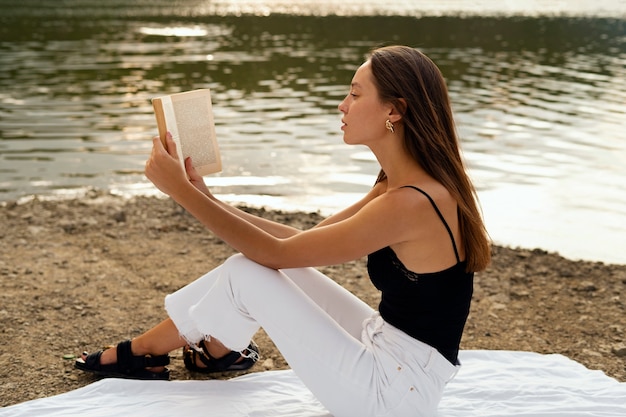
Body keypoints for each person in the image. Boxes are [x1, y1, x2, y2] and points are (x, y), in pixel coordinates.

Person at [75, 45, 491, 417]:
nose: (342, 105)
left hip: (394, 394)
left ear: (394, 110)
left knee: (247, 271)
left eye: (355, 93)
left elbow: (274, 254)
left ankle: (155, 351)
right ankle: (209, 352)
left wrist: (183, 194)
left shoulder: (412, 202)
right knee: (266, 268)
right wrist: (208, 197)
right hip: (391, 351)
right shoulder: (399, 184)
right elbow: (295, 245)